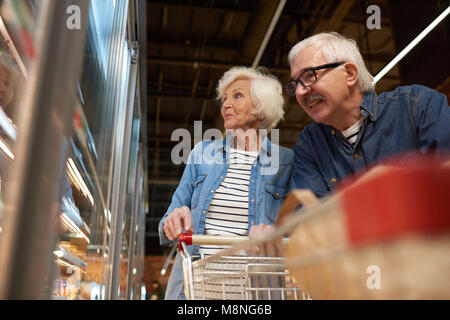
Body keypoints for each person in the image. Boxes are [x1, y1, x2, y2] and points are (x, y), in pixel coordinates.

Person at [158, 66, 294, 299]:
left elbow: (301, 227)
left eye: (237, 96)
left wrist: (280, 233)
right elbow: (165, 224)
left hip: (256, 291)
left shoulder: (286, 162)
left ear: (261, 107)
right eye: (224, 99)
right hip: (195, 288)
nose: (225, 105)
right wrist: (173, 220)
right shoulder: (202, 153)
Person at [285, 32, 450, 198]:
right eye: (294, 85)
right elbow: (310, 215)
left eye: (309, 76)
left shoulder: (417, 106)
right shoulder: (310, 144)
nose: (299, 92)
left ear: (349, 73)